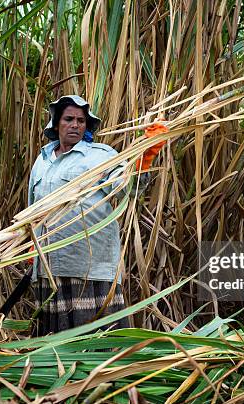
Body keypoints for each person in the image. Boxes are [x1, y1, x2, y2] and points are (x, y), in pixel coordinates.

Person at [28, 95, 167, 335]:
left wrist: (144, 158)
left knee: (96, 339)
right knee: (54, 340)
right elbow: (32, 208)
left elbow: (126, 187)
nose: (75, 125)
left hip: (88, 264)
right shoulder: (42, 161)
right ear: (56, 123)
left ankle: (103, 374)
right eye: (69, 119)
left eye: (81, 121)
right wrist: (30, 247)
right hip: (48, 266)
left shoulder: (100, 156)